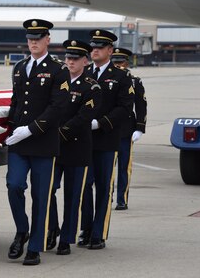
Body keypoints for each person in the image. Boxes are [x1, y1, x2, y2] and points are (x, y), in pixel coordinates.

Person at [5, 19, 70, 266]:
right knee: (14, 186)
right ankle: (22, 230)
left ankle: (34, 247)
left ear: (47, 40)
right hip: (19, 143)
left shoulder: (58, 69)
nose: (33, 42)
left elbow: (58, 106)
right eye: (30, 38)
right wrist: (9, 129)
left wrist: (31, 129)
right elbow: (16, 102)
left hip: (43, 142)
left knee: (41, 196)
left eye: (38, 38)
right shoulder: (20, 67)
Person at [78, 29, 134, 250]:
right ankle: (86, 229)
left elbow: (125, 108)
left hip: (106, 138)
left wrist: (100, 123)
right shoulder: (84, 73)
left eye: (100, 47)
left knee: (103, 187)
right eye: (93, 46)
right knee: (85, 185)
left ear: (110, 50)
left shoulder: (121, 76)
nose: (95, 50)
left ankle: (99, 233)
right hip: (84, 139)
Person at [46, 40, 102, 255]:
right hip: (54, 148)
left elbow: (84, 117)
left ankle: (66, 239)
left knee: (73, 195)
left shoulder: (91, 86)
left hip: (77, 148)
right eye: (68, 58)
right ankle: (52, 229)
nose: (70, 62)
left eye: (75, 58)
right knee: (48, 190)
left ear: (85, 61)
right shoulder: (58, 82)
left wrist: (59, 132)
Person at [111, 47, 147, 210]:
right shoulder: (104, 78)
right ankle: (107, 197)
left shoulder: (134, 81)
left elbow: (141, 106)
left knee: (124, 168)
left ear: (127, 63)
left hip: (126, 131)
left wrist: (140, 128)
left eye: (120, 62)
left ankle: (122, 199)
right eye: (115, 62)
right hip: (107, 129)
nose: (118, 65)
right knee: (106, 168)